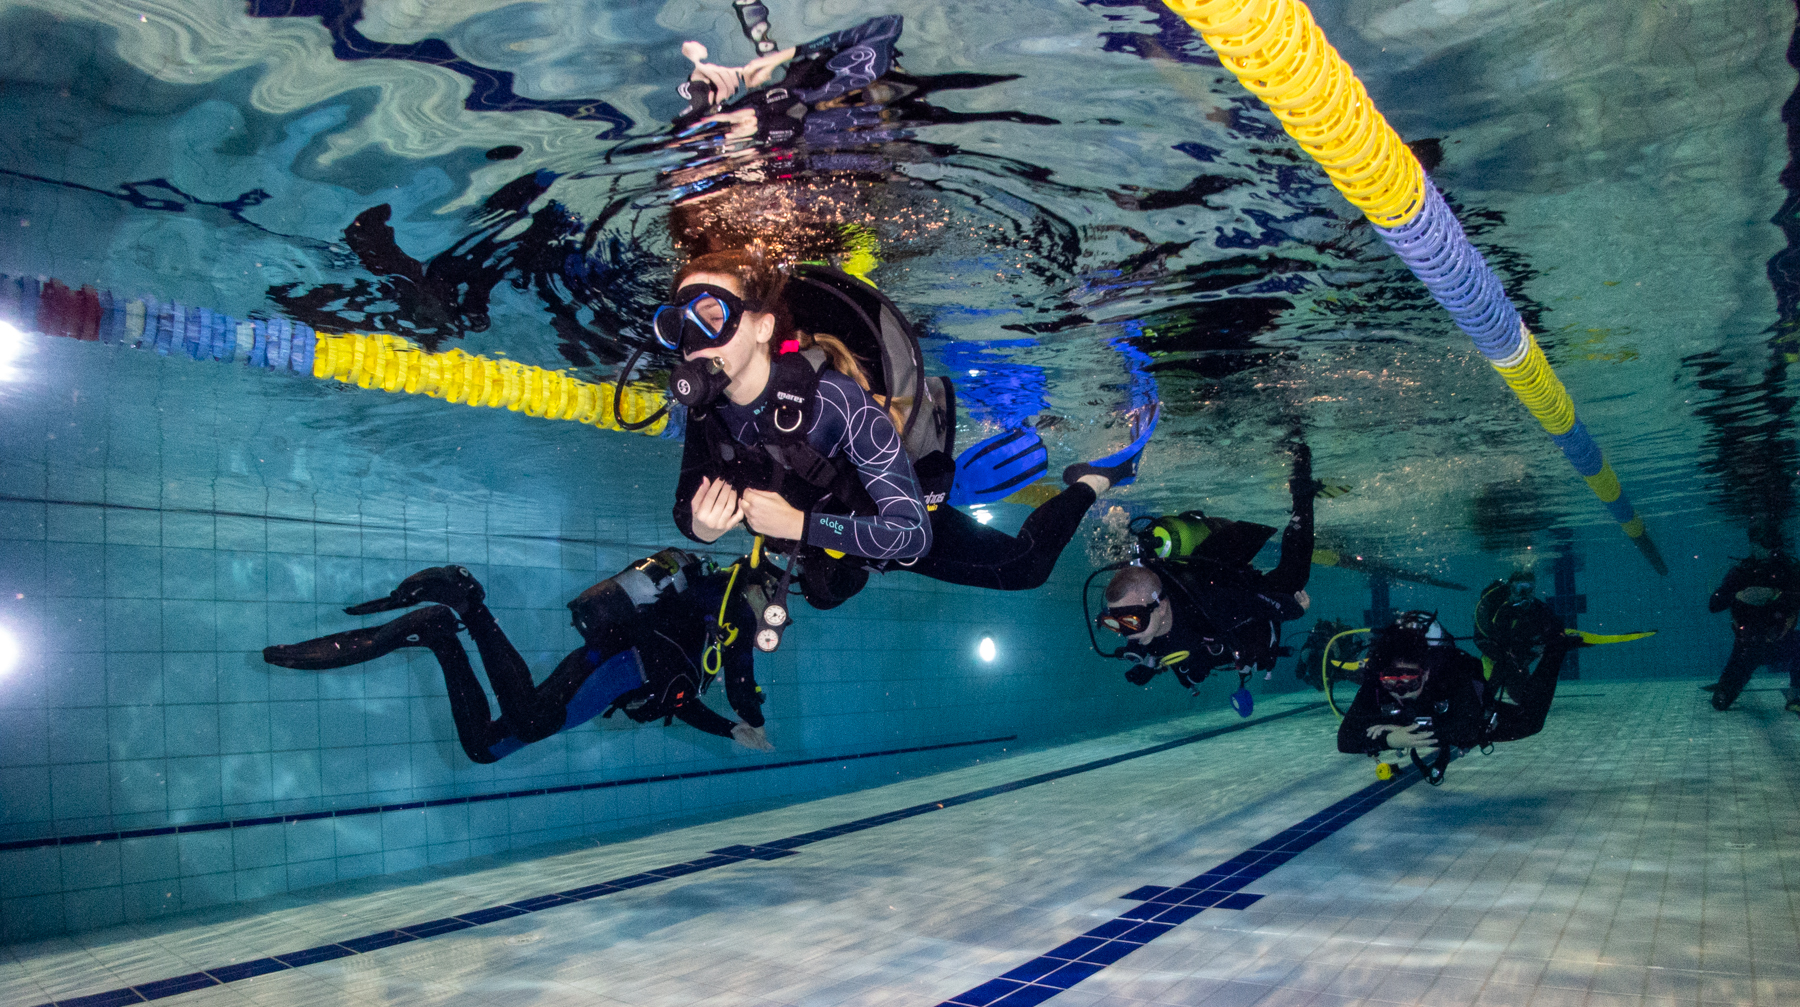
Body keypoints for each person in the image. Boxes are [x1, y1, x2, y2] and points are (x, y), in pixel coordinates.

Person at [665, 248, 1144, 610]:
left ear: (763, 327)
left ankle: (1093, 480)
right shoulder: (708, 407)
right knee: (823, 593)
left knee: (1023, 568)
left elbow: (912, 535)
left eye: (713, 319)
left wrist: (797, 525)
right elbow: (686, 507)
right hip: (829, 543)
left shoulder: (834, 401)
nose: (694, 344)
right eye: (678, 327)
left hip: (885, 514)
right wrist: (703, 528)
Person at [262, 556, 773, 763]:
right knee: (530, 720)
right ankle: (468, 605)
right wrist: (752, 714)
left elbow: (678, 695)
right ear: (758, 588)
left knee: (485, 747)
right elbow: (739, 685)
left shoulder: (715, 616)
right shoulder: (733, 609)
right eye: (773, 603)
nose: (773, 621)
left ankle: (440, 633)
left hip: (611, 673)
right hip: (613, 667)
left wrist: (730, 730)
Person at [1095, 443, 1318, 702]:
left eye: (1133, 621)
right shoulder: (1143, 630)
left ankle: (1302, 495)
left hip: (1228, 585)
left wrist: (1294, 610)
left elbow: (1260, 604)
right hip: (1209, 622)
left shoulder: (1212, 602)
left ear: (1162, 606)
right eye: (1114, 624)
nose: (1126, 634)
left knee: (1295, 579)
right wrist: (1151, 666)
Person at [1337, 612, 1583, 783]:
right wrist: (1391, 739)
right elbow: (1345, 740)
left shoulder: (1452, 675)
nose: (1400, 690)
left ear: (1427, 672)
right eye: (1391, 681)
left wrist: (1407, 730)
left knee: (1531, 721)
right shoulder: (1375, 682)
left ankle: (1555, 649)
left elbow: (1467, 728)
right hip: (1435, 721)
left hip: (1464, 712)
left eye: (1410, 681)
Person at [1706, 548, 1800, 714]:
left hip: (1781, 642)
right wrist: (1737, 595)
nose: (1765, 551)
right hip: (1748, 648)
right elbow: (1714, 604)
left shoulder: (1789, 573)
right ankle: (1728, 685)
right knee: (1720, 702)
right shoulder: (1742, 573)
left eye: (1768, 544)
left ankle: (1794, 694)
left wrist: (1774, 594)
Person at [1472, 568, 1565, 703]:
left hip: (1518, 656)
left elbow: (1555, 629)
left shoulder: (1539, 609)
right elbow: (1482, 634)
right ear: (1510, 589)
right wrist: (1505, 654)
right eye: (1519, 589)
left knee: (1520, 696)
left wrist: (1545, 648)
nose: (1524, 594)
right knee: (1501, 669)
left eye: (1529, 589)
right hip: (1492, 652)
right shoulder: (1495, 607)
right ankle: (1485, 700)